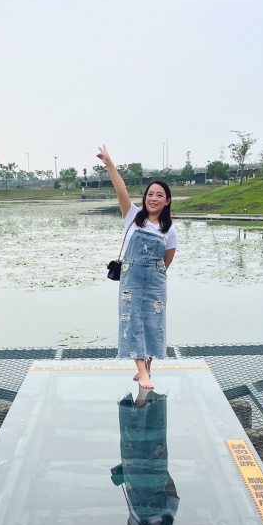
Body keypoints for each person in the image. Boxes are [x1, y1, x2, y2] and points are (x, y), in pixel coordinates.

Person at [96, 145, 178, 390]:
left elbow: (168, 259)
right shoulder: (132, 216)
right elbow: (120, 188)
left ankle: (148, 367)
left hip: (156, 280)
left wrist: (153, 274)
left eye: (159, 195)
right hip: (131, 279)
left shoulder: (169, 230)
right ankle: (141, 371)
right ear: (145, 198)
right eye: (150, 194)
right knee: (131, 322)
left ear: (167, 201)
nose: (153, 198)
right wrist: (109, 162)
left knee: (153, 321)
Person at [106, 385, 178, 525]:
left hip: (133, 463)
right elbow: (169, 482)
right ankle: (145, 383)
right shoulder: (170, 511)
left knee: (132, 428)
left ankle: (143, 385)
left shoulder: (136, 523)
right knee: (154, 423)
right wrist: (158, 464)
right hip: (155, 461)